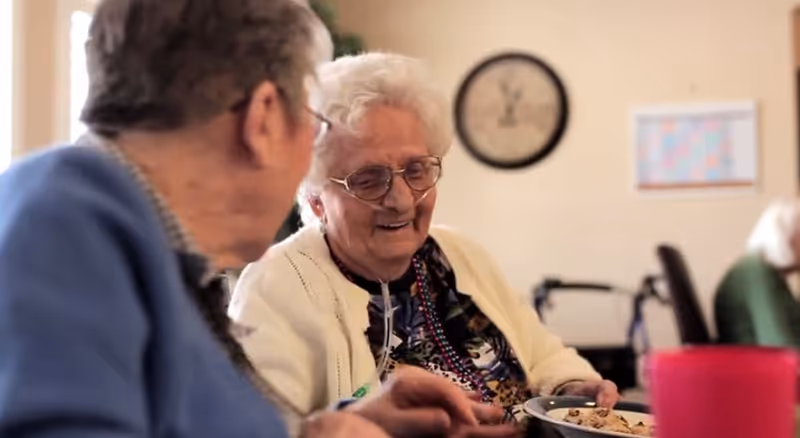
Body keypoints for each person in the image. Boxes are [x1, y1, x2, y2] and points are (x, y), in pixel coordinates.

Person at [0, 2, 514, 437]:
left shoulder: (144, 250)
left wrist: (329, 428)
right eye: (311, 126)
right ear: (264, 118)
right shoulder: (63, 229)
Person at [228, 53, 619, 429]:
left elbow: (543, 354)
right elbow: (251, 429)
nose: (400, 200)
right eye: (368, 179)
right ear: (316, 200)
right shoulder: (276, 285)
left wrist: (570, 390)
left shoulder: (461, 255)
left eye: (415, 170)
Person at [715, 199, 800, 348]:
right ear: (787, 237)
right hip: (759, 368)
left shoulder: (763, 272)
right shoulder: (758, 273)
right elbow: (780, 346)